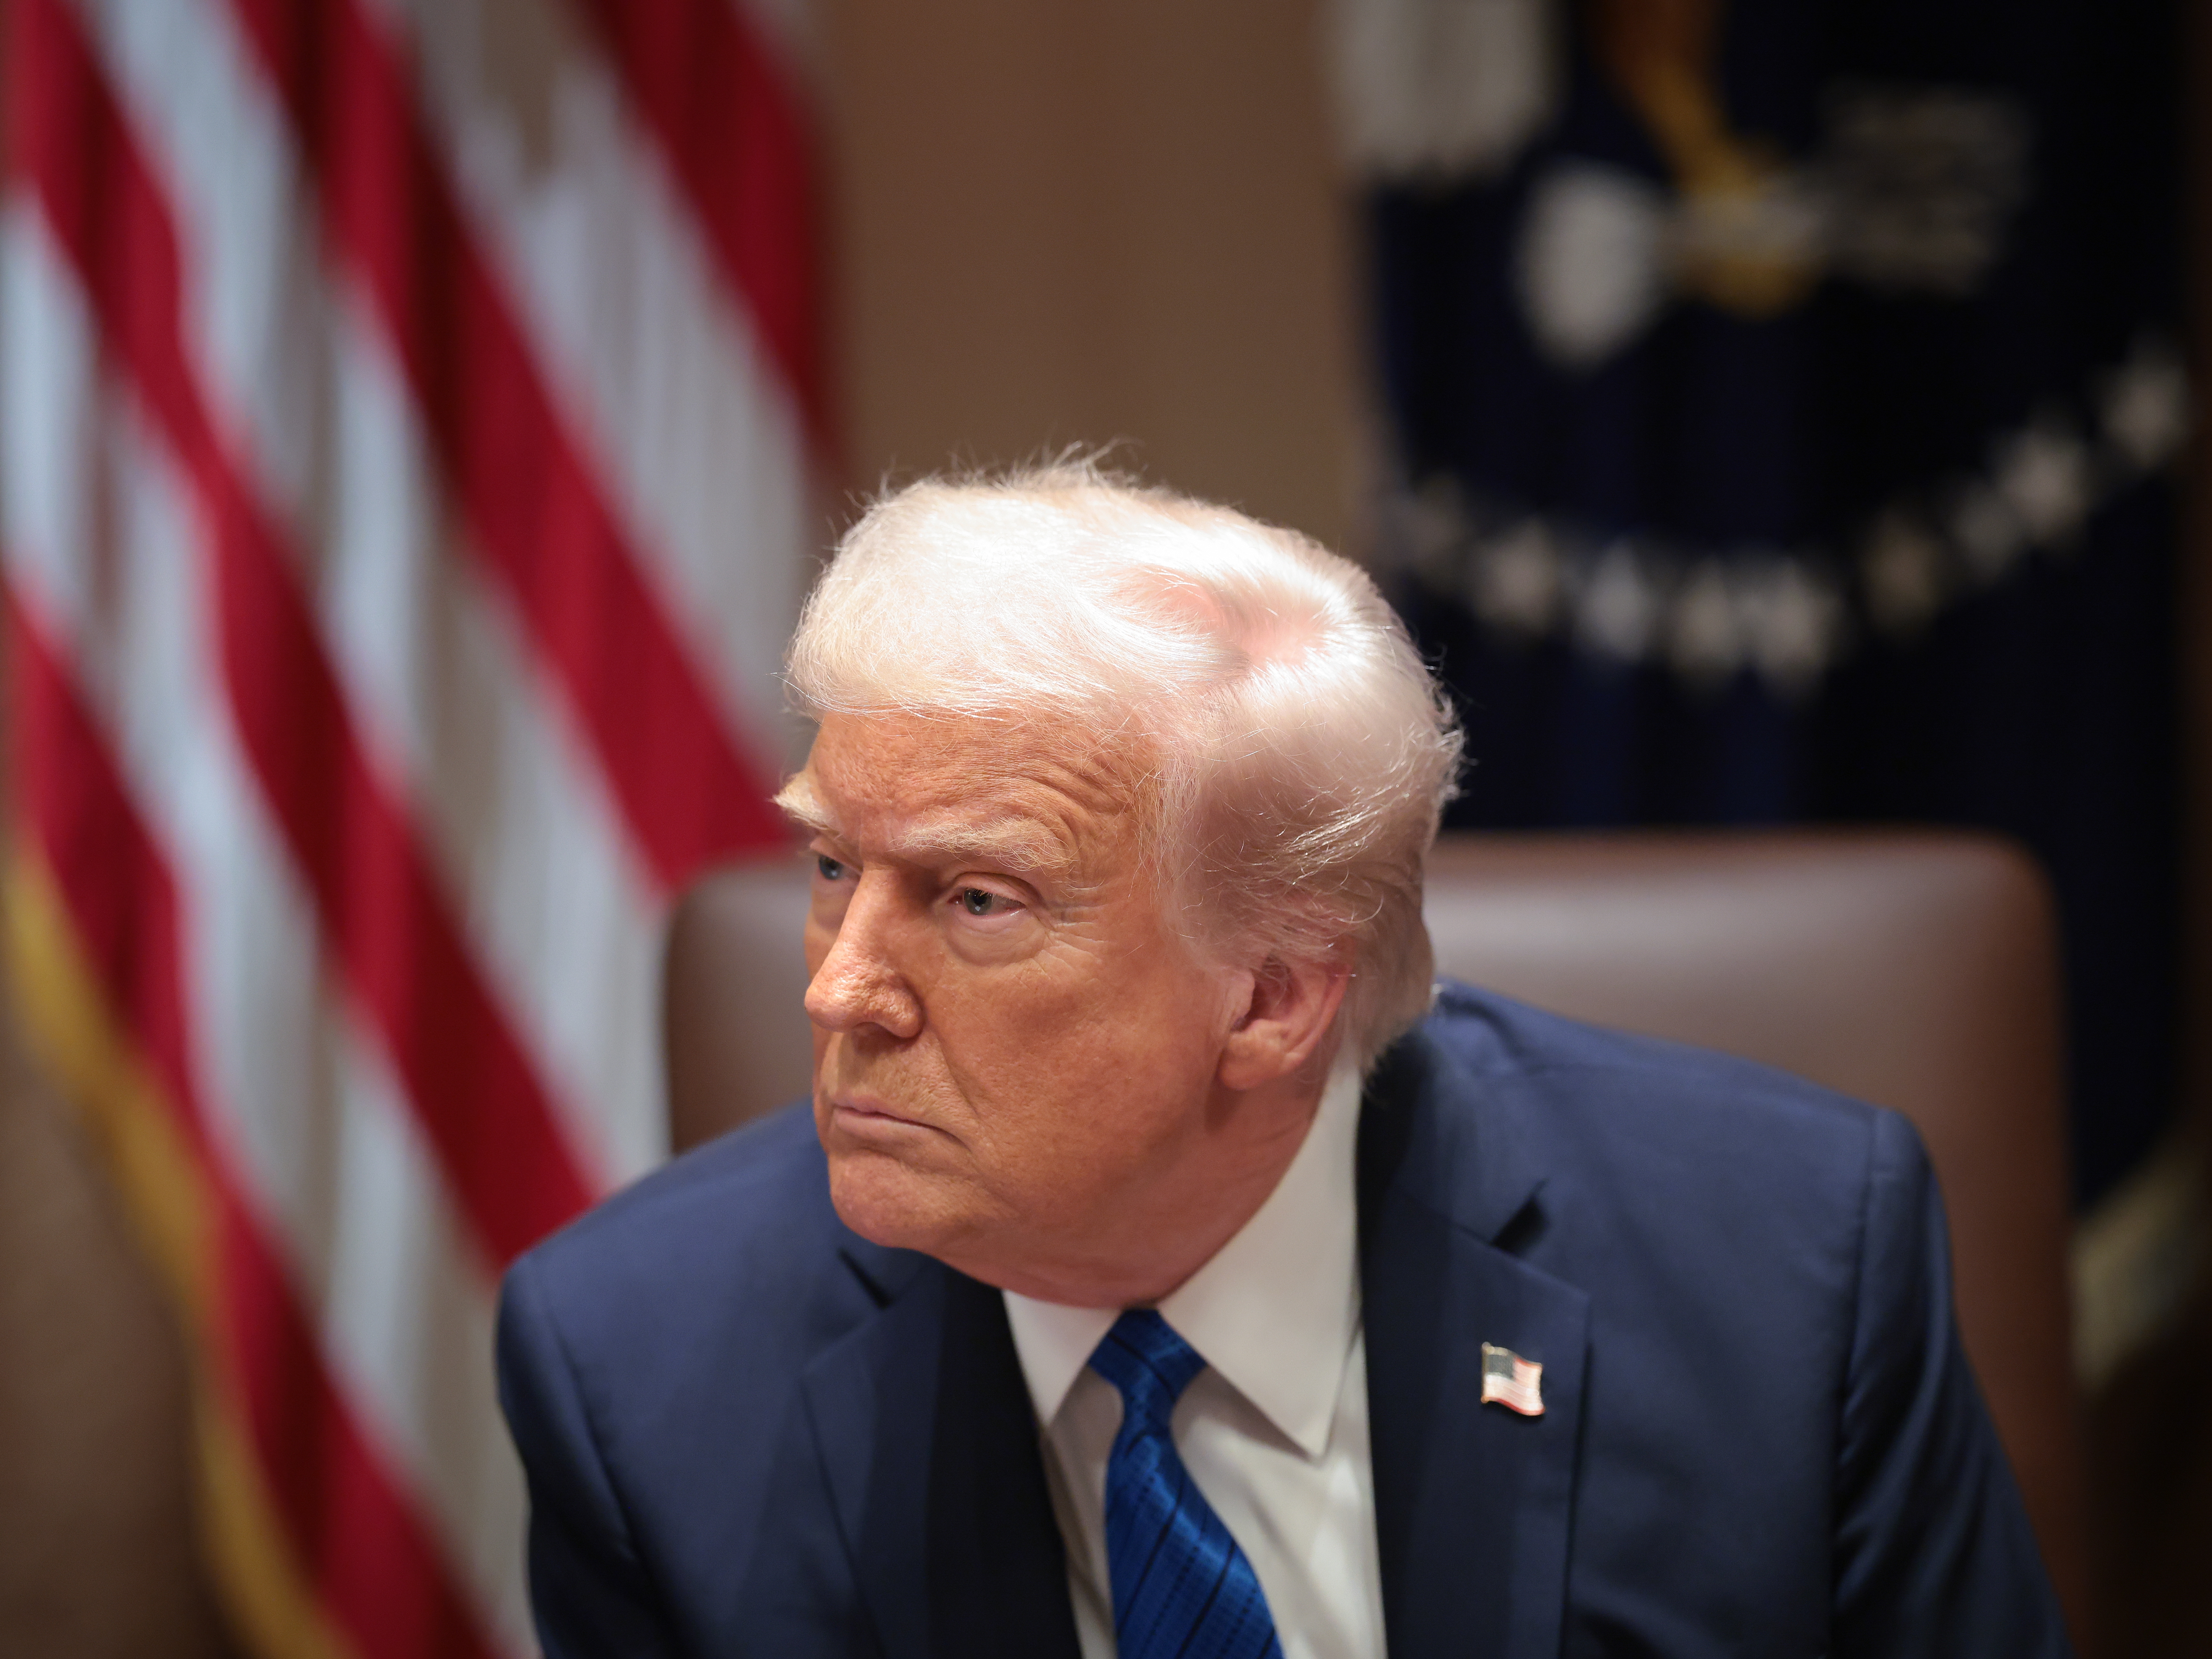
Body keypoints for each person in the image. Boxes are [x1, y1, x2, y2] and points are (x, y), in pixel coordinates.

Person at [496, 465, 2071, 1658]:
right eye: (835, 867)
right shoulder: (637, 1372)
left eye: (975, 900)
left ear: (1272, 999)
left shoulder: (1784, 1275)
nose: (842, 990)